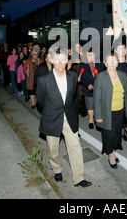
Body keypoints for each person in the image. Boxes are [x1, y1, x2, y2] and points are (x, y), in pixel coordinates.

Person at [36, 51, 92, 188]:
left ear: (67, 62)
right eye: (58, 60)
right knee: (53, 148)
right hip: (52, 118)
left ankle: (79, 178)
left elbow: (72, 97)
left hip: (69, 118)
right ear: (53, 61)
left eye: (63, 60)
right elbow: (40, 101)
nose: (60, 63)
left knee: (75, 147)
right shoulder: (43, 79)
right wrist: (51, 110)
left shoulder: (73, 76)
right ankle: (56, 169)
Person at [94, 54, 127, 169]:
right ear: (105, 64)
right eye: (109, 61)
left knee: (116, 135)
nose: (112, 63)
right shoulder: (101, 77)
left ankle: (113, 150)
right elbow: (97, 98)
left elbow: (126, 94)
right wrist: (98, 115)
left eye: (114, 61)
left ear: (117, 63)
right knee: (108, 134)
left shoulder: (122, 75)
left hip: (120, 111)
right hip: (107, 112)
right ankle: (111, 155)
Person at [80, 51, 104, 129]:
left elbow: (103, 75)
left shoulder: (100, 64)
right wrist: (87, 85)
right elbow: (81, 78)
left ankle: (98, 119)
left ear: (94, 55)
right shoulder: (83, 65)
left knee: (98, 104)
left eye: (91, 55)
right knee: (90, 104)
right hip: (88, 88)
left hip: (98, 87)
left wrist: (96, 84)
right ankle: (91, 120)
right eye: (88, 55)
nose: (90, 57)